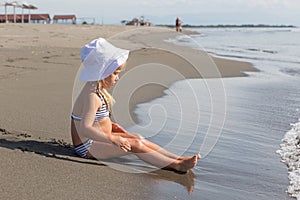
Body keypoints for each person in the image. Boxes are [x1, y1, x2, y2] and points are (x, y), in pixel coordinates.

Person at [71, 38, 200, 172]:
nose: (117, 77)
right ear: (101, 73)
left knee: (137, 137)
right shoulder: (92, 96)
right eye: (115, 73)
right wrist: (112, 138)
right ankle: (175, 165)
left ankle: (177, 158)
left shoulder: (95, 91)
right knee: (135, 145)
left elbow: (96, 119)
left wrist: (111, 126)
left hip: (96, 139)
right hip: (87, 147)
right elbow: (85, 128)